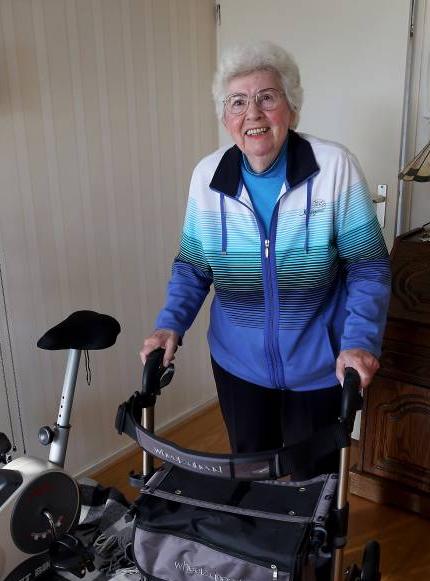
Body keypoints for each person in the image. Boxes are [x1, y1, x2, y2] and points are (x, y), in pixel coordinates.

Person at [139, 42, 391, 478]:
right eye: (237, 101)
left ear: (290, 108)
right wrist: (169, 324)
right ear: (225, 117)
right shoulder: (207, 178)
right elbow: (194, 266)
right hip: (239, 366)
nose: (252, 113)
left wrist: (359, 341)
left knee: (315, 488)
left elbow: (368, 266)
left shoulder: (333, 169)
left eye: (266, 98)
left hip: (320, 366)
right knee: (250, 480)